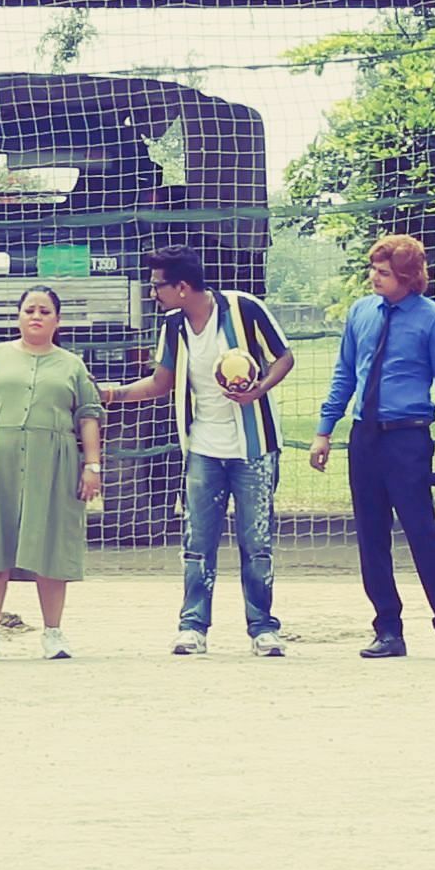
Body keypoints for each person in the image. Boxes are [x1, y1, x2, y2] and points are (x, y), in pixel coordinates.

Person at [101, 245, 297, 657]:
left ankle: (262, 628)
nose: (154, 293)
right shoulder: (173, 326)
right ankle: (193, 626)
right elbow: (160, 383)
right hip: (203, 448)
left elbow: (285, 357)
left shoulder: (244, 308)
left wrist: (260, 388)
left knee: (256, 541)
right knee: (197, 540)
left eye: (159, 286)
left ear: (183, 287)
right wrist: (112, 394)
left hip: (253, 447)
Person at [309, 234, 435, 661]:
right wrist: (325, 429)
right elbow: (345, 373)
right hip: (365, 435)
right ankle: (387, 628)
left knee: (422, 533)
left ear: (407, 277)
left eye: (383, 272)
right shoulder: (361, 312)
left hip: (408, 437)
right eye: (374, 269)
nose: (373, 278)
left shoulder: (434, 320)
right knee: (370, 535)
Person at [0, 286, 105, 661]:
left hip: (53, 465)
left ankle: (53, 633)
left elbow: (88, 414)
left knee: (51, 544)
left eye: (45, 311)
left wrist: (92, 465)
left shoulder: (72, 364)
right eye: (29, 310)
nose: (36, 316)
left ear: (58, 320)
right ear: (18, 315)